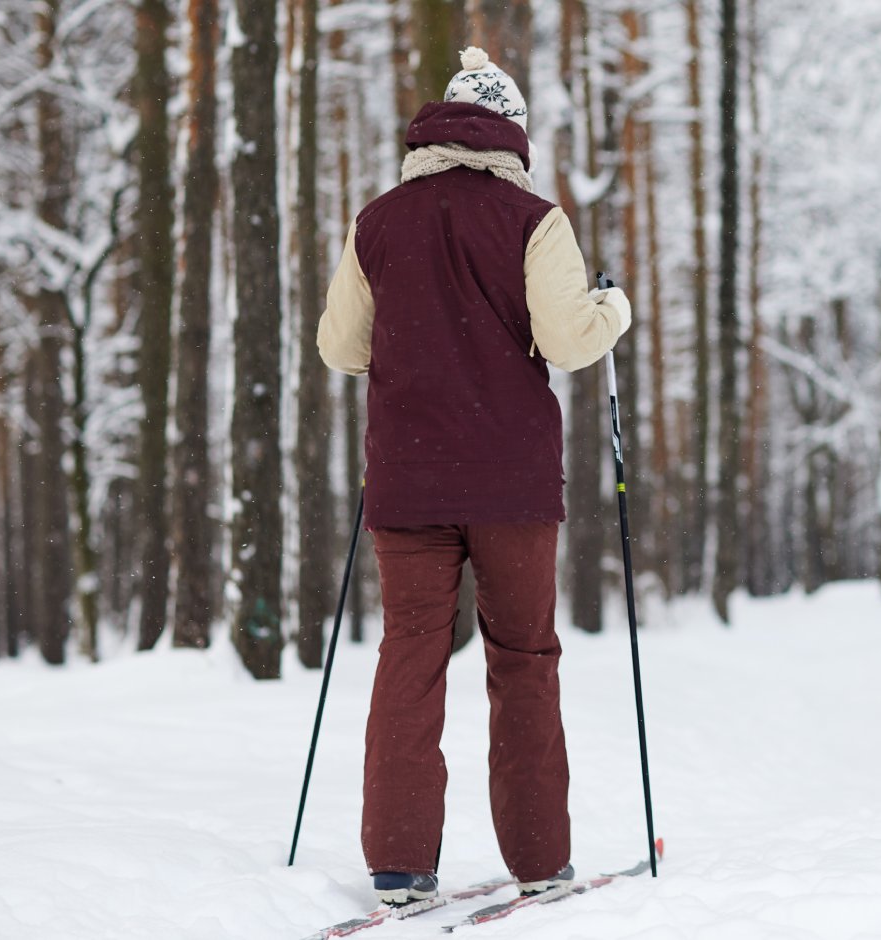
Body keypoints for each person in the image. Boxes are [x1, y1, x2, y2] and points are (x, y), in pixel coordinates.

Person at [317, 45, 632, 906]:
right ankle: (539, 860)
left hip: (408, 484)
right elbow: (571, 342)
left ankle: (398, 865)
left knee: (409, 658)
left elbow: (340, 349)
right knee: (523, 657)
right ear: (512, 135)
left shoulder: (378, 220)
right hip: (512, 487)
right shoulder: (534, 219)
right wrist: (614, 307)